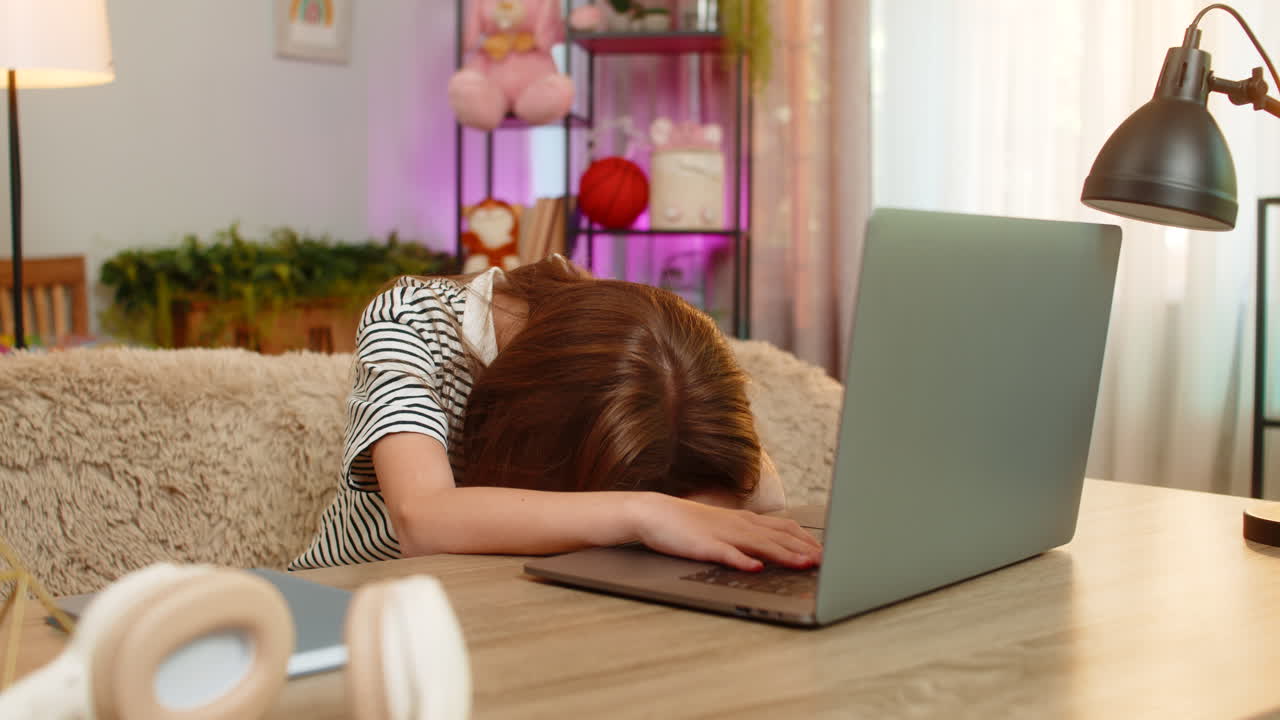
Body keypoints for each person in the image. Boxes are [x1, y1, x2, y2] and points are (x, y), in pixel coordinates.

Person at [290, 255, 821, 572]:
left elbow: (762, 493)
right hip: (359, 608)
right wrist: (645, 513)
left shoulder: (627, 334)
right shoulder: (412, 322)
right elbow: (421, 519)